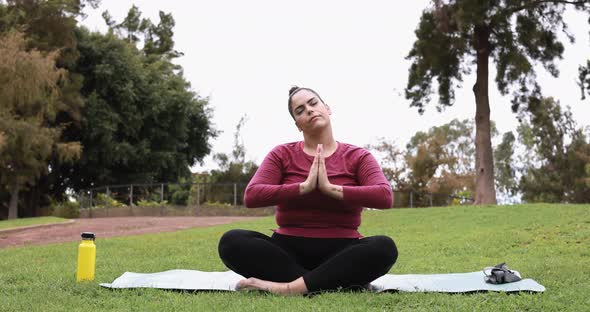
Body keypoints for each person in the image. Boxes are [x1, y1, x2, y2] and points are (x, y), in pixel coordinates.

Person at [218, 86, 398, 295]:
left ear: (327, 108)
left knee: (384, 247)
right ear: (297, 124)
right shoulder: (281, 154)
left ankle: (290, 288)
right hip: (287, 251)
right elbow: (252, 195)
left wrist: (331, 189)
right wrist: (303, 187)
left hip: (342, 249)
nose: (310, 111)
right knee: (232, 241)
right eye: (300, 110)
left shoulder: (358, 156)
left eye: (313, 103)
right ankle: (334, 281)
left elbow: (384, 196)